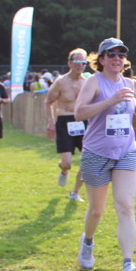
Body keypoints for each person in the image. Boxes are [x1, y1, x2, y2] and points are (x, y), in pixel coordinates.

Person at [73, 38, 136, 271]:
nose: (117, 59)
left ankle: (128, 264)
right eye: (112, 54)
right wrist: (109, 101)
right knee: (96, 210)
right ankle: (87, 242)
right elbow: (79, 112)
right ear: (102, 59)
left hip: (126, 151)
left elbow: (131, 107)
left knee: (125, 205)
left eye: (121, 55)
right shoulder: (94, 82)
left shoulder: (130, 84)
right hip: (96, 152)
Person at [45, 48, 90, 201]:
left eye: (83, 63)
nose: (80, 66)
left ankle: (75, 192)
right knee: (67, 162)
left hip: (82, 121)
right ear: (69, 63)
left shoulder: (87, 83)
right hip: (65, 121)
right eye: (77, 62)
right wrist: (50, 122)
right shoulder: (60, 82)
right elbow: (48, 102)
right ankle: (64, 169)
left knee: (88, 160)